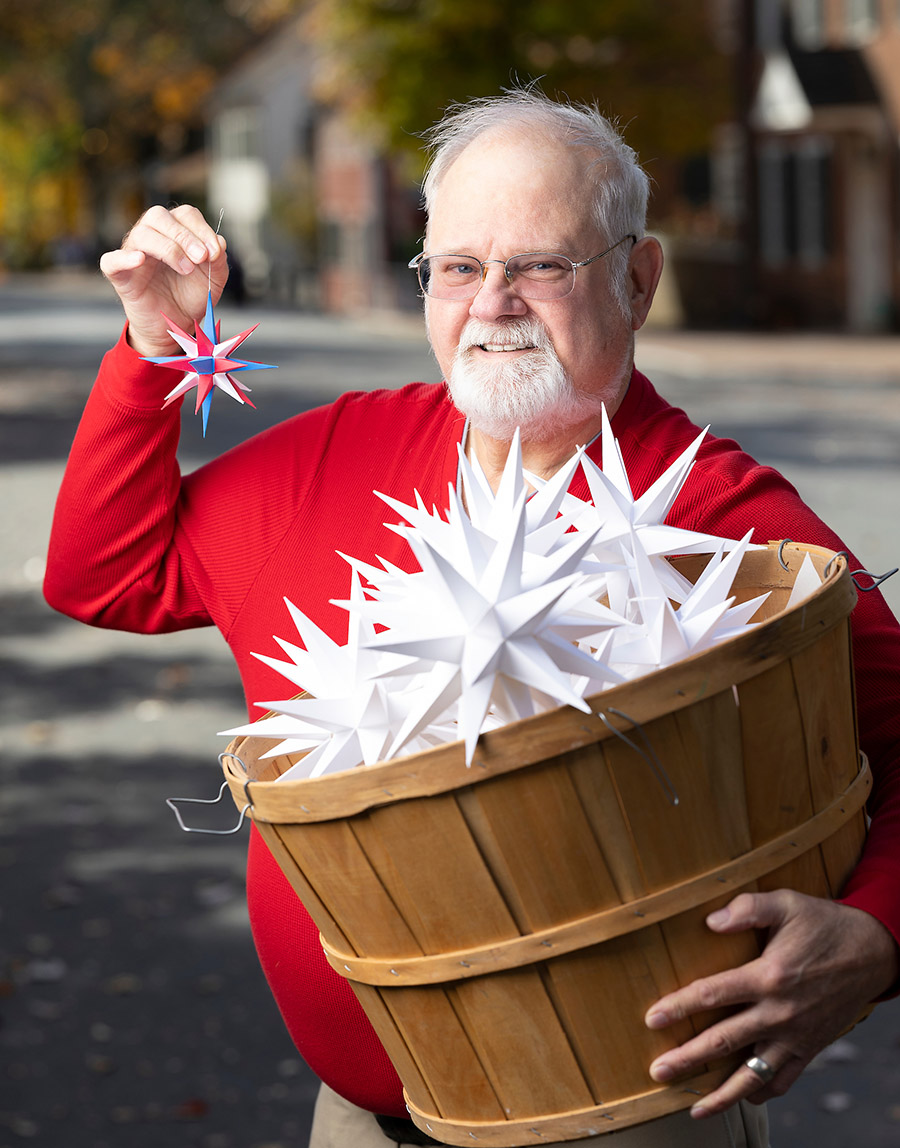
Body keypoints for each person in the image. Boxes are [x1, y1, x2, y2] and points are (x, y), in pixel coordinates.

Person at [44, 88, 900, 1148]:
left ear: (637, 279)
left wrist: (875, 933)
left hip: (624, 1126)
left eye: (541, 264)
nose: (491, 302)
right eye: (456, 266)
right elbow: (104, 574)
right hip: (360, 1122)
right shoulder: (332, 455)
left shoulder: (723, 514)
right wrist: (150, 348)